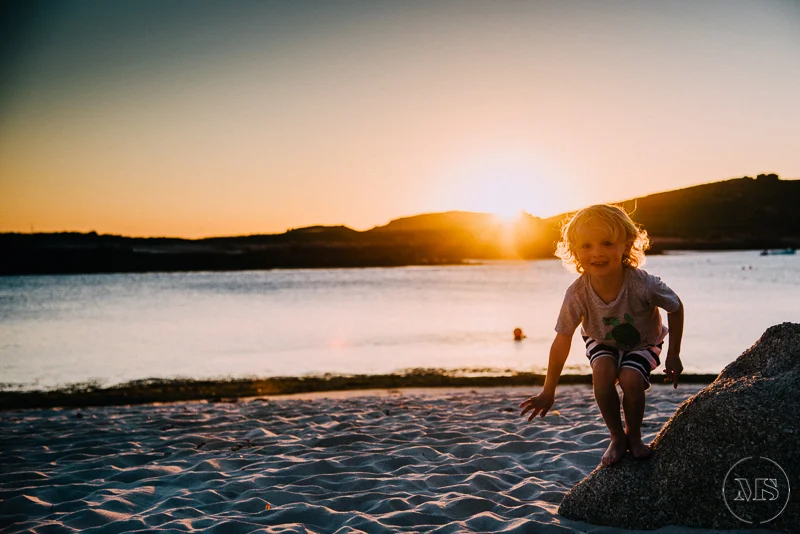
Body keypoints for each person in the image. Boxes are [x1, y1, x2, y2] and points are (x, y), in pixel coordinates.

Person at [519, 204, 684, 466]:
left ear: (627, 245)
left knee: (630, 379)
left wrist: (673, 354)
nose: (597, 253)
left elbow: (676, 307)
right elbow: (562, 339)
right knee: (603, 373)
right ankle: (616, 436)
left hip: (644, 341)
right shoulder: (578, 293)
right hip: (601, 339)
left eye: (607, 243)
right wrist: (548, 390)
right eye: (586, 246)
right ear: (574, 251)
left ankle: (634, 436)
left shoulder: (643, 284)